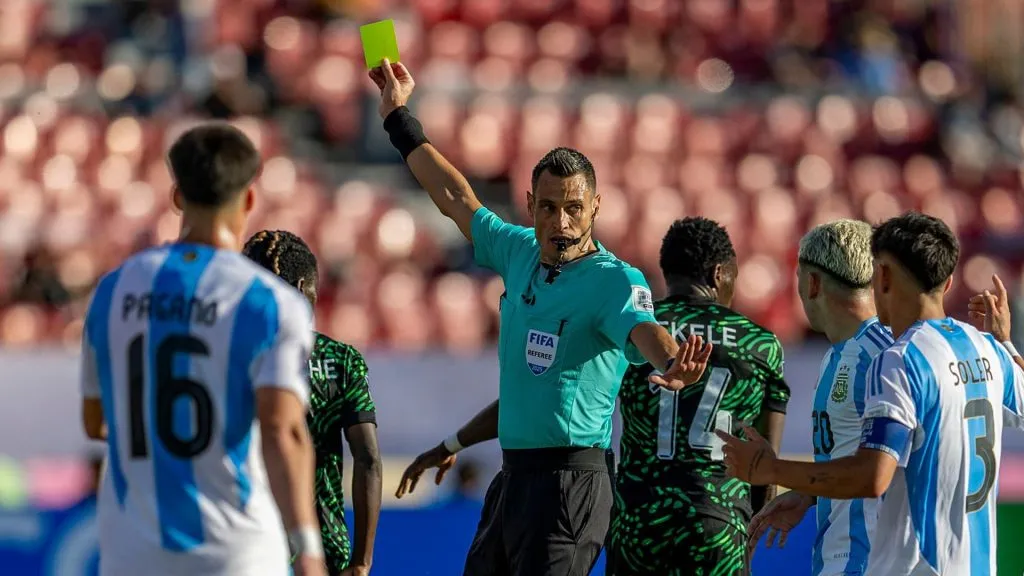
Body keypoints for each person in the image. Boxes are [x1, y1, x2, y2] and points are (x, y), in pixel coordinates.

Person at [369, 59, 712, 576]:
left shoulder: (616, 280)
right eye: (548, 207)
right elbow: (454, 196)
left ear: (596, 206)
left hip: (573, 483)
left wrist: (673, 362)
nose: (562, 221)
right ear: (530, 206)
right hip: (515, 479)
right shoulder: (518, 252)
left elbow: (647, 332)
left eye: (574, 207)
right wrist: (399, 116)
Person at [78, 124, 325, 576]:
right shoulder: (270, 302)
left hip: (132, 553)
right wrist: (308, 548)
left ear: (176, 196)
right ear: (249, 199)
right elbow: (282, 431)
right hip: (236, 553)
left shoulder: (112, 293)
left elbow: (96, 422)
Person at [718, 212, 1024, 575]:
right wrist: (1005, 341)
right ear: (950, 279)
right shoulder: (983, 347)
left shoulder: (895, 357)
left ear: (883, 275)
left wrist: (768, 469)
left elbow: (872, 475)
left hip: (887, 564)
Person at [607, 217, 790, 576]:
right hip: (718, 522)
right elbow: (764, 458)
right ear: (720, 272)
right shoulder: (761, 345)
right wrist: (745, 531)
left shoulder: (637, 331)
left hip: (639, 521)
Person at [746, 220, 892, 576]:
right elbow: (860, 455)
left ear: (811, 283)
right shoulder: (837, 355)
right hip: (838, 558)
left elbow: (898, 464)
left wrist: (774, 470)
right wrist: (812, 496)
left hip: (873, 562)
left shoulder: (886, 357)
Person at [243, 230, 382, 576]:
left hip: (248, 543)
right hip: (323, 547)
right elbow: (368, 457)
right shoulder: (341, 360)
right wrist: (362, 561)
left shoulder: (231, 358)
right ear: (304, 286)